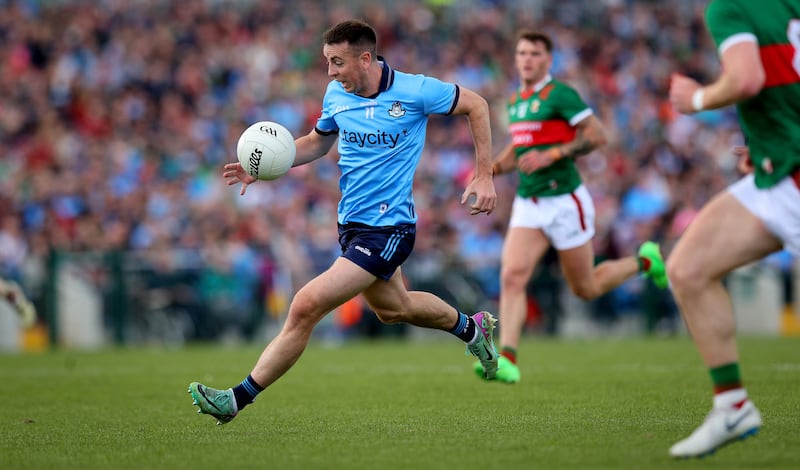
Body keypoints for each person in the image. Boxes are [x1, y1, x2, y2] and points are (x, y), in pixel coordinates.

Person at [188, 19, 499, 425]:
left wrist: (485, 174)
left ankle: (236, 399)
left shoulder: (416, 90)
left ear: (365, 58)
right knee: (395, 309)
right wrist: (264, 167)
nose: (330, 72)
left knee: (305, 305)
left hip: (389, 229)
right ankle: (474, 331)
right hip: (351, 226)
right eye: (328, 62)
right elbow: (318, 141)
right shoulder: (337, 93)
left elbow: (477, 104)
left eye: (337, 62)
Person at [473, 31, 668, 384]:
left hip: (564, 201)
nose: (527, 59)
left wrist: (555, 153)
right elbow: (520, 148)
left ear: (548, 60)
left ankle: (646, 261)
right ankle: (508, 359)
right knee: (512, 276)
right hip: (529, 203)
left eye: (534, 53)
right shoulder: (516, 100)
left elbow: (597, 135)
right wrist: (488, 170)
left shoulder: (560, 94)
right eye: (521, 53)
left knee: (585, 287)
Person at [666, 0, 800, 458]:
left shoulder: (730, 7)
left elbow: (747, 79)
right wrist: (767, 143)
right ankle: (733, 404)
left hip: (792, 181)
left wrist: (696, 100)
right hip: (778, 173)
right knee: (688, 269)